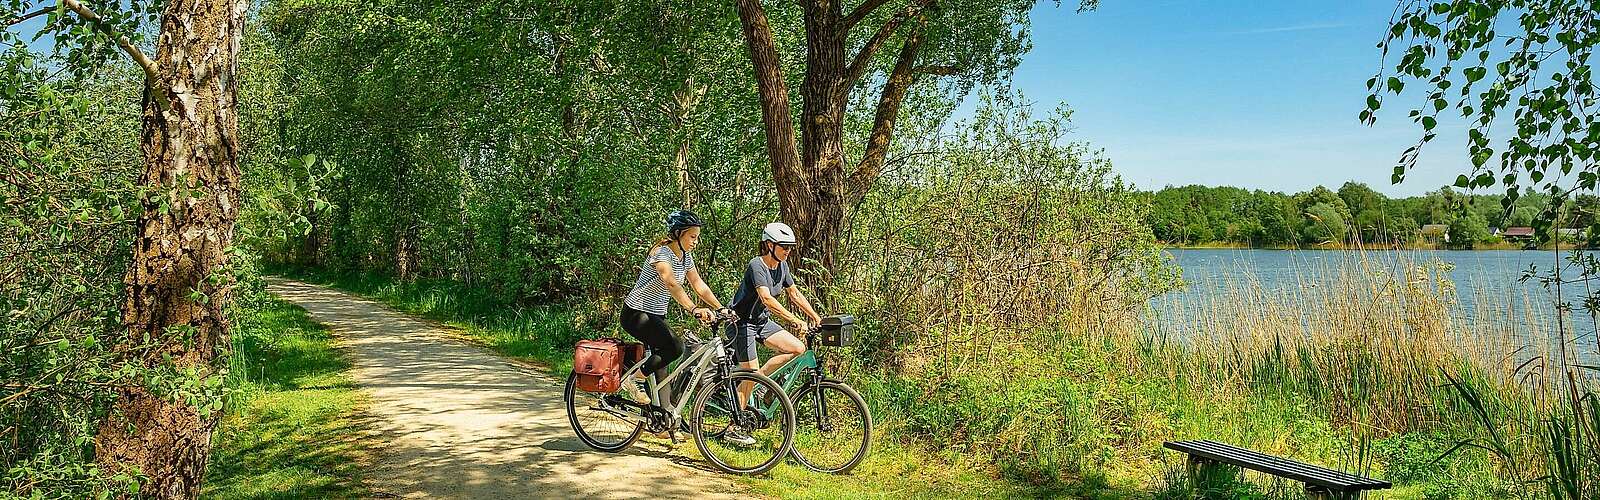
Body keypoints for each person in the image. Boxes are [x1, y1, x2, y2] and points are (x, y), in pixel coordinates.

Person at [618, 209, 728, 421]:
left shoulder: (686, 257)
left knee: (662, 368)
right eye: (692, 236)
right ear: (678, 234)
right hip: (636, 313)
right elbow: (670, 282)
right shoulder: (662, 253)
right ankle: (633, 379)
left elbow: (699, 285)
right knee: (674, 347)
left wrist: (720, 307)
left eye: (697, 237)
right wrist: (694, 309)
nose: (696, 241)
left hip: (656, 314)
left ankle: (663, 420)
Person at [728, 222, 823, 412]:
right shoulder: (757, 265)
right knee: (750, 373)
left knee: (797, 348)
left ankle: (759, 384)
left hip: (761, 322)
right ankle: (734, 426)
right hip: (741, 323)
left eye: (790, 248)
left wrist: (815, 316)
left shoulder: (783, 266)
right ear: (770, 245)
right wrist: (794, 320)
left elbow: (794, 294)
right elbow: (766, 298)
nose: (788, 251)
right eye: (784, 247)